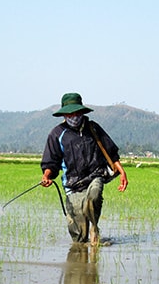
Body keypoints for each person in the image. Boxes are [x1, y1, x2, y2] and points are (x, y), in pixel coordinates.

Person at [41, 93, 128, 245]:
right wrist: (47, 176)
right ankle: (81, 256)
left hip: (96, 175)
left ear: (82, 112)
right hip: (73, 184)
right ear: (64, 114)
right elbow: (51, 161)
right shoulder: (57, 134)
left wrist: (122, 172)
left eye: (77, 113)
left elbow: (111, 152)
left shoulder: (93, 128)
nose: (74, 117)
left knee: (94, 196)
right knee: (79, 238)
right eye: (70, 113)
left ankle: (94, 228)